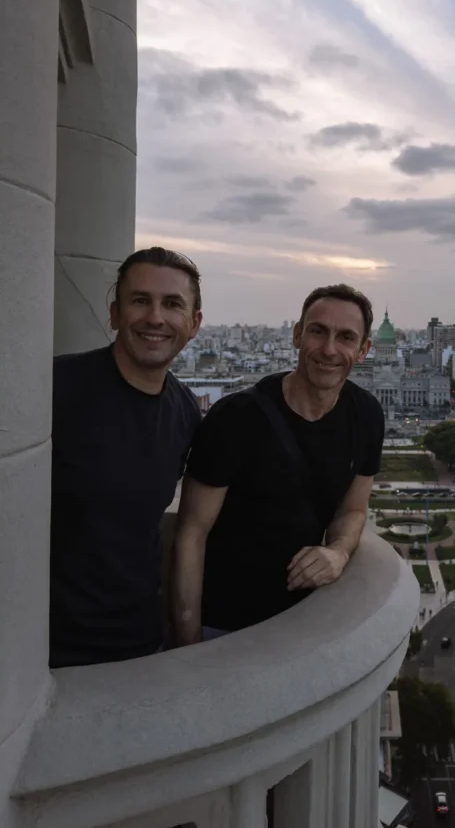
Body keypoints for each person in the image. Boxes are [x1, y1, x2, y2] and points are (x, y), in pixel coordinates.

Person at [172, 284, 385, 645]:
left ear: (363, 350)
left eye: (346, 337)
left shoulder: (366, 415)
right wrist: (189, 645)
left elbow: (352, 511)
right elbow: (192, 534)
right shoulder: (235, 418)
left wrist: (337, 552)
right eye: (318, 331)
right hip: (224, 623)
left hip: (302, 619)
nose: (330, 349)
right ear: (297, 335)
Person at [49, 247, 203, 668]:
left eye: (172, 304)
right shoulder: (56, 388)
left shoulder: (185, 411)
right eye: (140, 301)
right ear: (115, 314)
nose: (155, 317)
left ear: (194, 324)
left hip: (139, 643)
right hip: (43, 650)